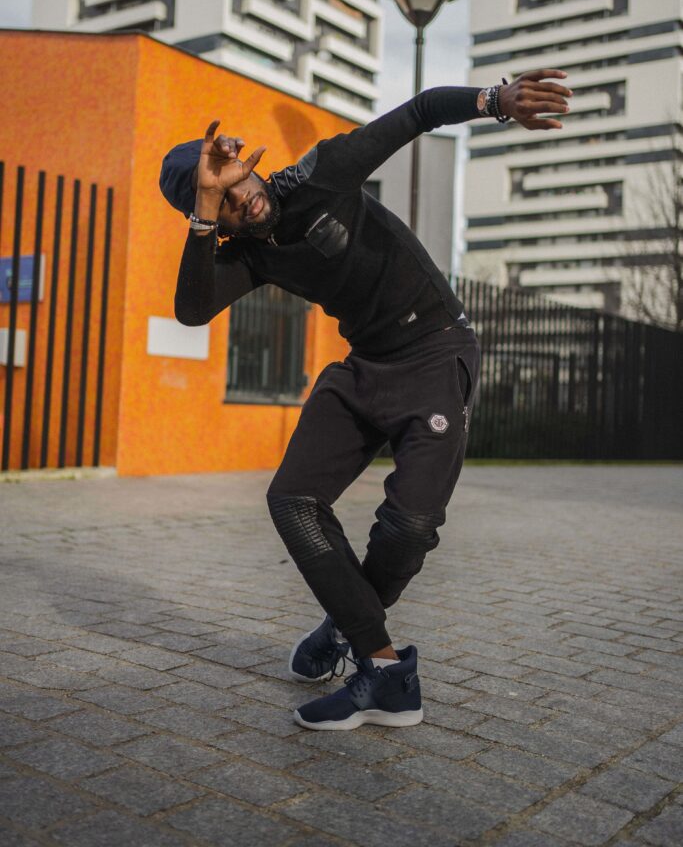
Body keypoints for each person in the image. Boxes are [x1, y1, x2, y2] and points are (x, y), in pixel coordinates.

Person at [159, 69, 572, 731]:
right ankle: (383, 670)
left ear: (249, 167)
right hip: (365, 370)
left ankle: (345, 627)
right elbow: (190, 310)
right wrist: (202, 216)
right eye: (224, 201)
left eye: (239, 184)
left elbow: (416, 113)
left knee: (407, 531)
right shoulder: (248, 251)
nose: (245, 201)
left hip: (436, 353)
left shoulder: (319, 176)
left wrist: (495, 102)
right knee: (290, 501)